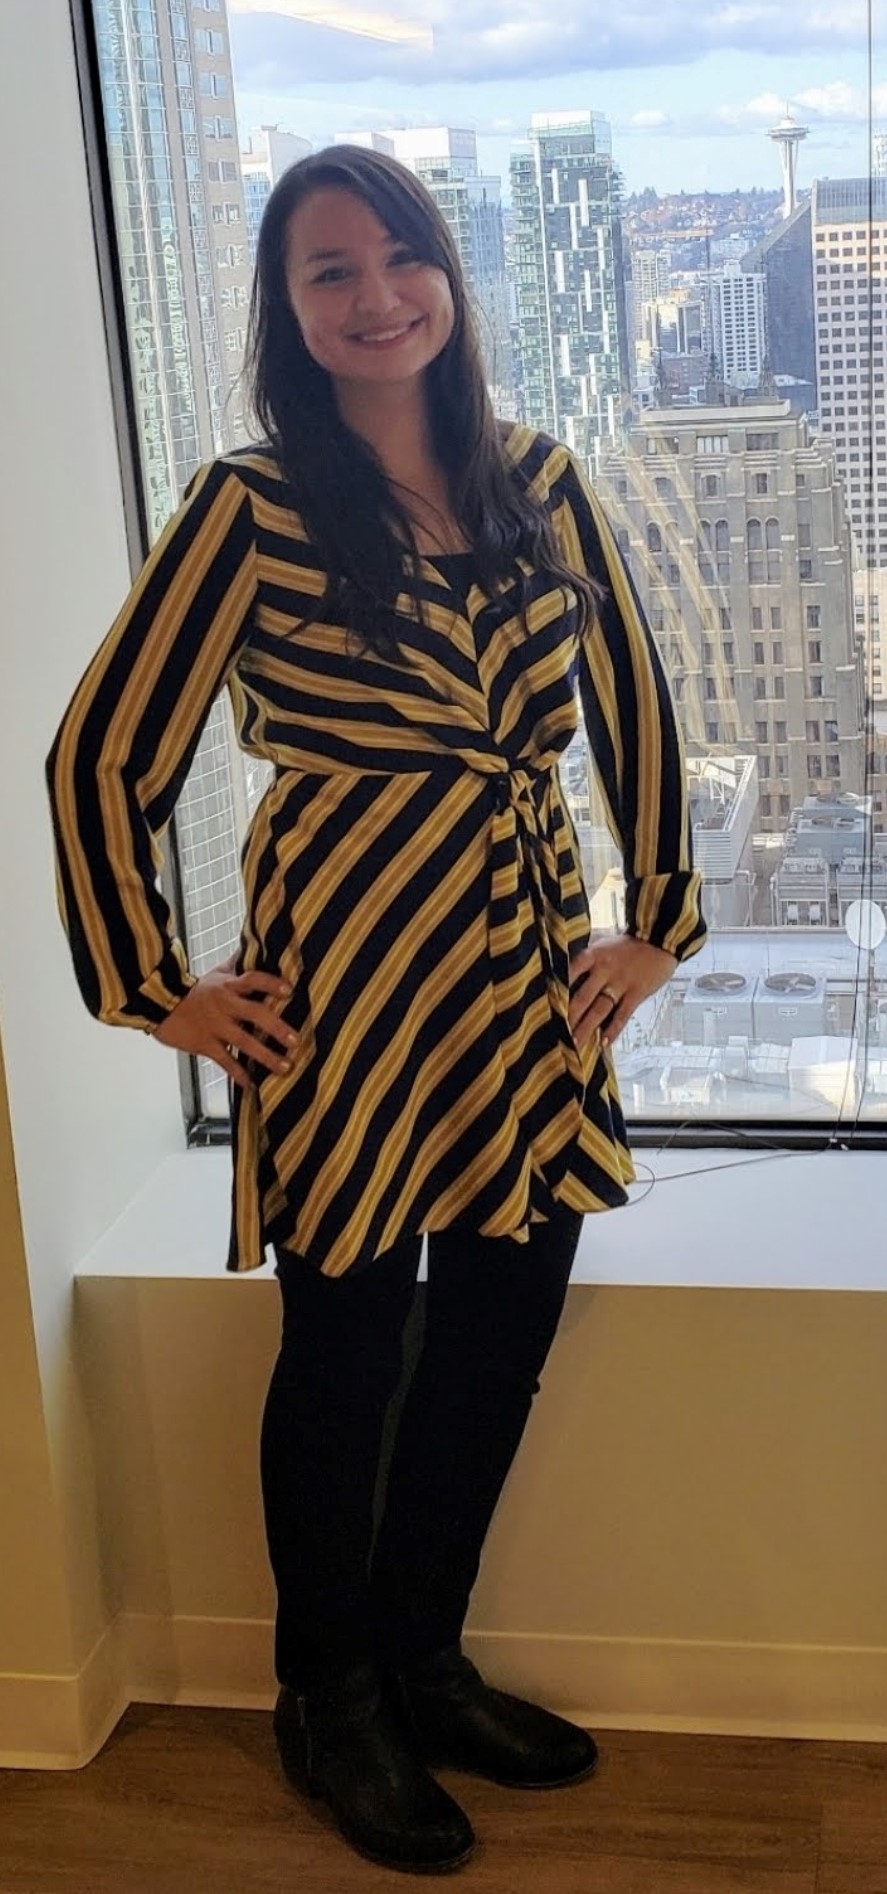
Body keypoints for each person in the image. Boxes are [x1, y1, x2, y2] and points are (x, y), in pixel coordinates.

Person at [47, 146, 706, 1875]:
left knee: (496, 1333)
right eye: (328, 270)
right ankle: (326, 1695)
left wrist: (655, 924)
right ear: (288, 309)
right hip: (340, 990)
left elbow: (633, 702)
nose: (375, 295)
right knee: (346, 1353)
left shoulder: (537, 478)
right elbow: (101, 753)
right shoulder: (250, 505)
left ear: (448, 277)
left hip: (525, 976)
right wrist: (153, 987)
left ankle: (424, 1658)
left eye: (400, 256)